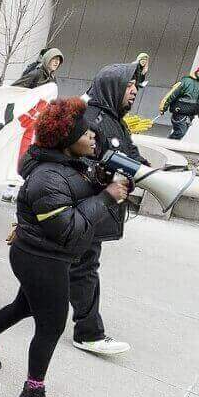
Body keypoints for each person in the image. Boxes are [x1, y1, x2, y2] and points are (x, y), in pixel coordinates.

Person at [0, 98, 129, 397]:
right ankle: (32, 392)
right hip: (42, 259)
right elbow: (68, 229)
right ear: (66, 140)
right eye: (86, 132)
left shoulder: (67, 165)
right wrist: (107, 197)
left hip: (43, 255)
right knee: (52, 324)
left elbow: (78, 199)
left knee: (24, 305)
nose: (93, 136)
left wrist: (105, 185)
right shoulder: (47, 179)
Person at [72, 62, 143, 356]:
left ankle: (29, 305)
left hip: (98, 210)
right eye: (129, 86)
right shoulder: (90, 119)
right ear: (113, 86)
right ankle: (89, 333)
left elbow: (135, 159)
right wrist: (106, 178)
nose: (135, 91)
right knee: (84, 267)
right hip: (88, 209)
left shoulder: (117, 122)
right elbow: (77, 165)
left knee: (61, 265)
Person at [159, 59, 199, 141]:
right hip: (179, 113)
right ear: (198, 70)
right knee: (180, 132)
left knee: (180, 134)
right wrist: (163, 108)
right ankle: (166, 144)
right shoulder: (186, 81)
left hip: (191, 115)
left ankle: (169, 145)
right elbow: (171, 95)